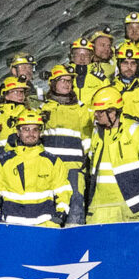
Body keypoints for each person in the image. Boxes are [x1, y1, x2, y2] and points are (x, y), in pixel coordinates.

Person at [0, 110, 74, 226]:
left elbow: (63, 192)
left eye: (35, 129)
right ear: (17, 132)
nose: (31, 134)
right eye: (26, 129)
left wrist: (58, 217)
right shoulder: (1, 162)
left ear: (40, 132)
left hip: (45, 226)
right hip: (12, 225)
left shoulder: (53, 162)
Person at [86, 87, 139, 224]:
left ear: (112, 112)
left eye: (100, 112)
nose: (96, 115)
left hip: (131, 204)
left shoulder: (136, 131)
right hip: (100, 204)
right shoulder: (97, 133)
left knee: (128, 246)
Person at [39, 66, 94, 221]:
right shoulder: (43, 109)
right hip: (50, 167)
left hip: (74, 167)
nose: (67, 84)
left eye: (69, 81)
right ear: (53, 83)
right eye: (62, 80)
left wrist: (87, 160)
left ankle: (74, 238)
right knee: (48, 201)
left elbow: (87, 137)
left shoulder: (81, 109)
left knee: (76, 201)